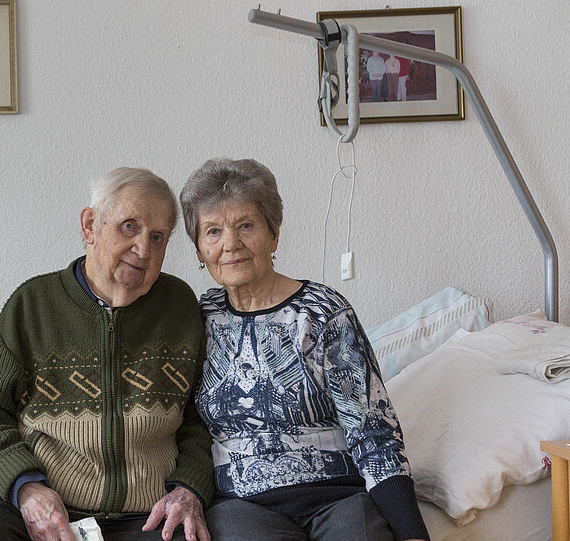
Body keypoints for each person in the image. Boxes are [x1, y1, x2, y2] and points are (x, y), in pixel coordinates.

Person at [0, 168, 214, 541]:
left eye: (158, 237)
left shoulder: (180, 307)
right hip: (37, 499)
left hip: (149, 511)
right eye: (129, 227)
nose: (144, 250)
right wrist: (25, 486)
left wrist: (188, 488)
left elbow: (201, 418)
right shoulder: (33, 305)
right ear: (90, 225)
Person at [179, 158, 430, 541]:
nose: (230, 244)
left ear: (274, 234)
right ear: (199, 250)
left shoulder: (323, 312)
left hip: (338, 497)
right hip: (242, 505)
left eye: (246, 225)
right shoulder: (199, 320)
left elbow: (373, 430)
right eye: (213, 231)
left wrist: (413, 534)